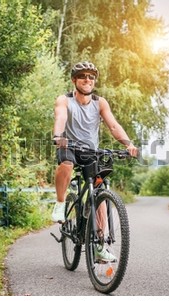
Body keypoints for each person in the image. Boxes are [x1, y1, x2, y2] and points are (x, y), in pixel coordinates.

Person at [51, 61, 138, 261]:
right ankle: (60, 203)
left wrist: (128, 144)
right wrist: (58, 136)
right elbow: (61, 117)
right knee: (66, 164)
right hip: (69, 146)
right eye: (83, 76)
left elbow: (114, 126)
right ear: (74, 80)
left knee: (99, 191)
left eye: (91, 77)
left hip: (91, 152)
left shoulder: (100, 102)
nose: (87, 80)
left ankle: (99, 246)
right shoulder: (64, 100)